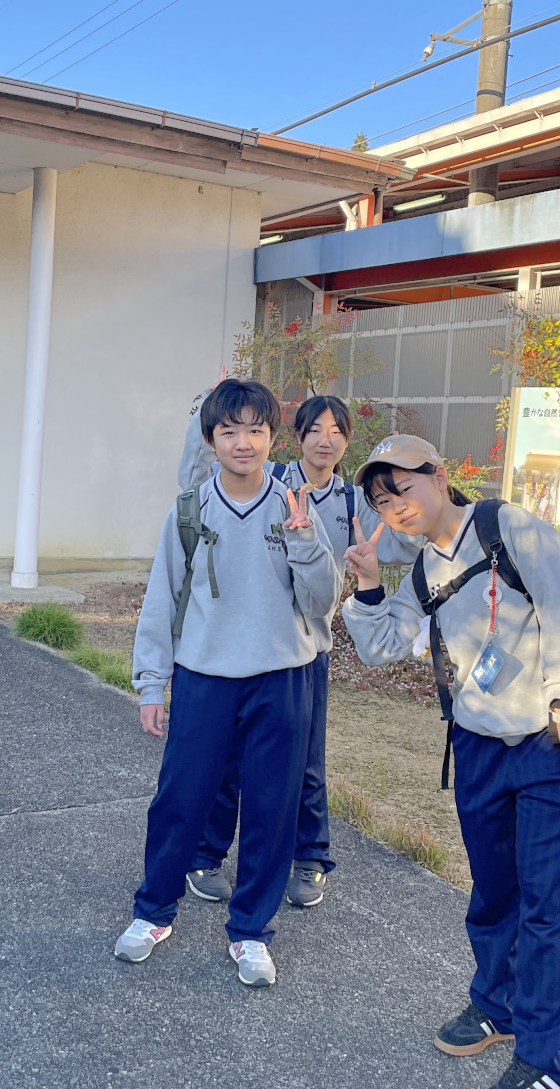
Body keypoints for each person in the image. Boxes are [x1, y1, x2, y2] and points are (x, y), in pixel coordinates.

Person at [341, 434, 560, 1089]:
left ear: (438, 476)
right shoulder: (423, 571)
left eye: (402, 489)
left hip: (549, 742)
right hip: (478, 745)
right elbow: (382, 647)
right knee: (493, 890)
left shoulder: (510, 528)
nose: (395, 507)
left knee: (550, 901)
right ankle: (496, 1006)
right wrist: (368, 586)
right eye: (382, 501)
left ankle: (547, 1059)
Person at [116, 378, 341, 989]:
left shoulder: (294, 506)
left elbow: (324, 601)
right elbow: (161, 600)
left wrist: (303, 541)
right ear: (211, 439)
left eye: (256, 430)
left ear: (272, 438)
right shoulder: (190, 511)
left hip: (283, 678)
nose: (244, 442)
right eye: (230, 431)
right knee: (179, 799)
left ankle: (251, 932)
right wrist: (152, 684)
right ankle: (153, 913)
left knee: (272, 808)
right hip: (204, 677)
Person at [177, 387, 423, 908]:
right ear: (295, 437)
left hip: (309, 651)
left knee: (306, 761)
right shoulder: (270, 481)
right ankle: (207, 855)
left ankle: (309, 858)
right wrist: (203, 416)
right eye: (314, 431)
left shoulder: (355, 502)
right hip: (248, 640)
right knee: (226, 755)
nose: (324, 441)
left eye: (336, 433)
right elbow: (198, 483)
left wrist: (423, 504)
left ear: (347, 442)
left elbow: (406, 540)